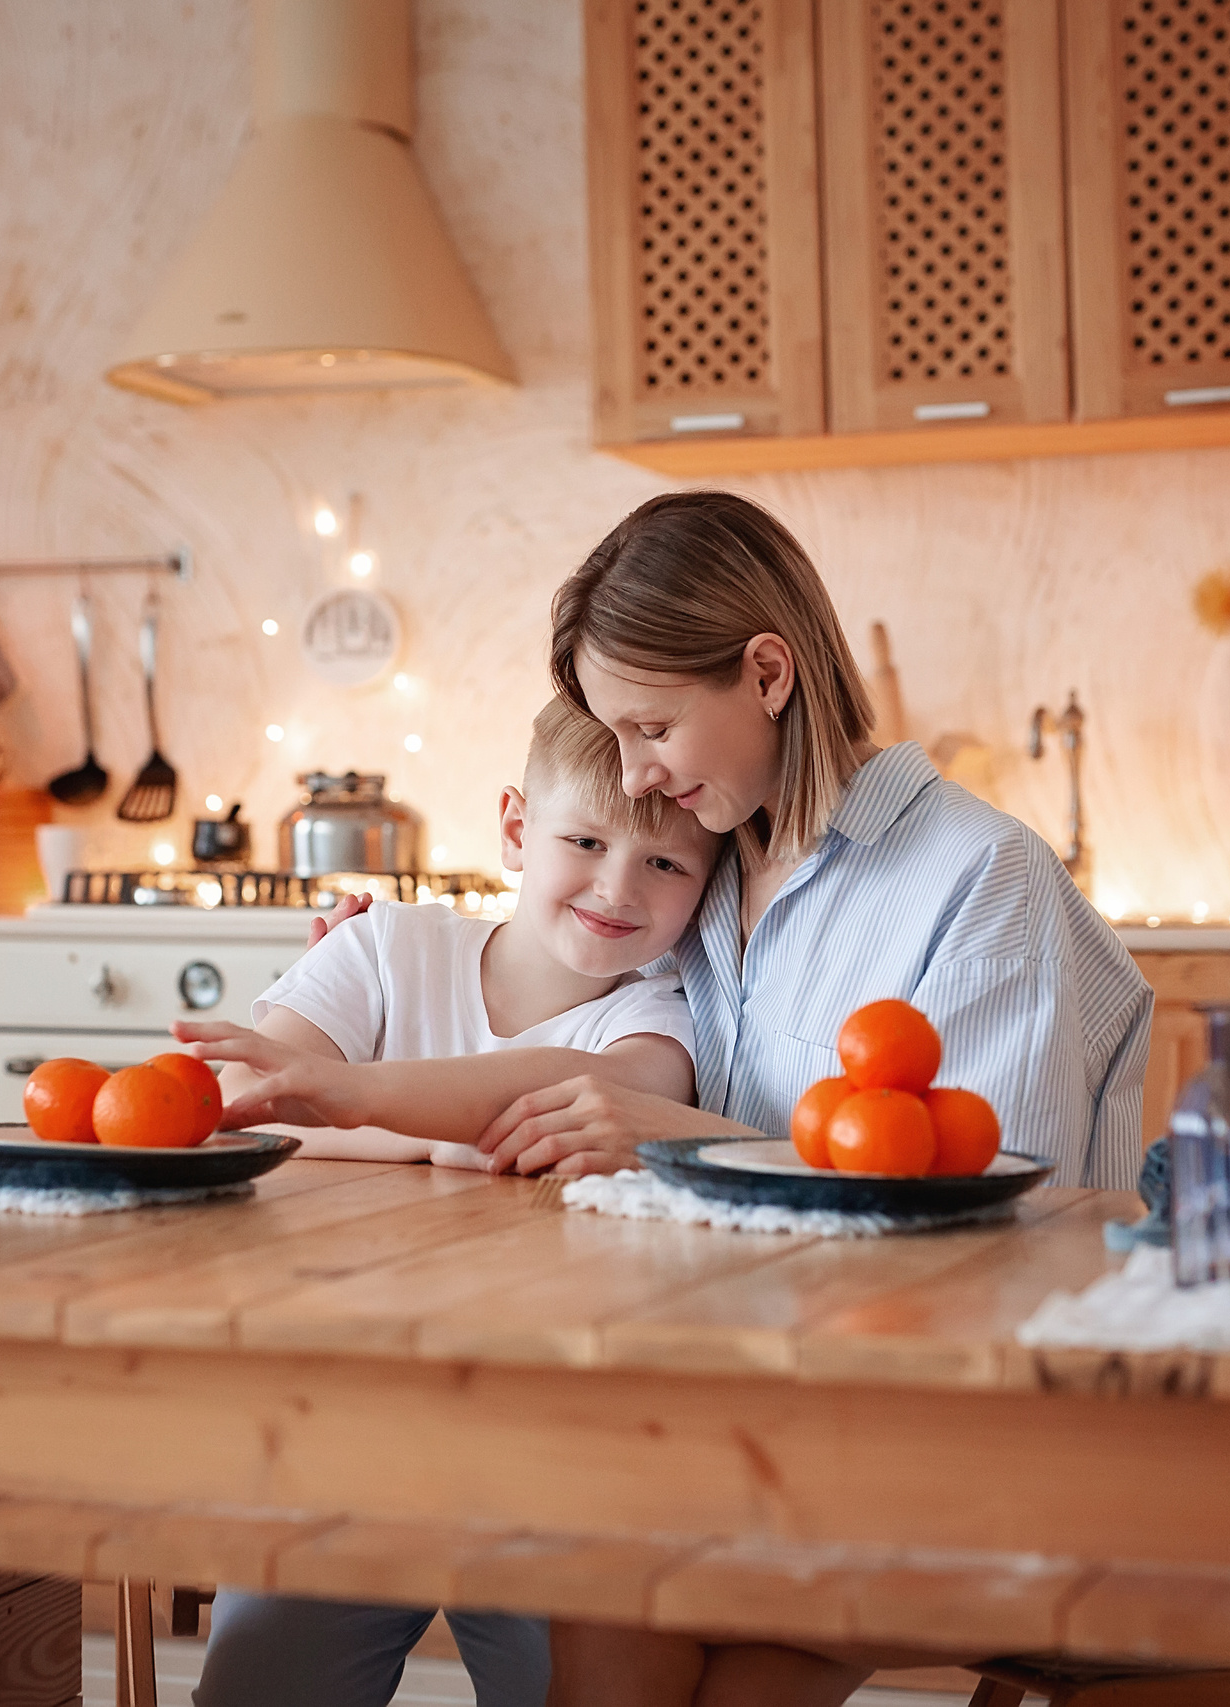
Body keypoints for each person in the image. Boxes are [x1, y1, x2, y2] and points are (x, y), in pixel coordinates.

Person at [269, 491, 1154, 1705]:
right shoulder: (712, 871)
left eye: (650, 727)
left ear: (767, 674)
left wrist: (695, 1139)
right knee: (599, 1580)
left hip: (948, 1424)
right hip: (747, 1406)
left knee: (631, 1592)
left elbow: (995, 1244)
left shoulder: (978, 879)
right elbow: (552, 964)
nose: (636, 775)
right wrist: (377, 951)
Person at [177, 699, 722, 1707]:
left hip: (553, 1445)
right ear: (517, 829)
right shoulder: (385, 946)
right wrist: (453, 1138)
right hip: (341, 1416)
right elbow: (262, 1109)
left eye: (665, 864)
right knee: (258, 1686)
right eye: (585, 841)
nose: (616, 886)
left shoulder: (660, 1013)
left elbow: (587, 1106)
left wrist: (352, 1115)